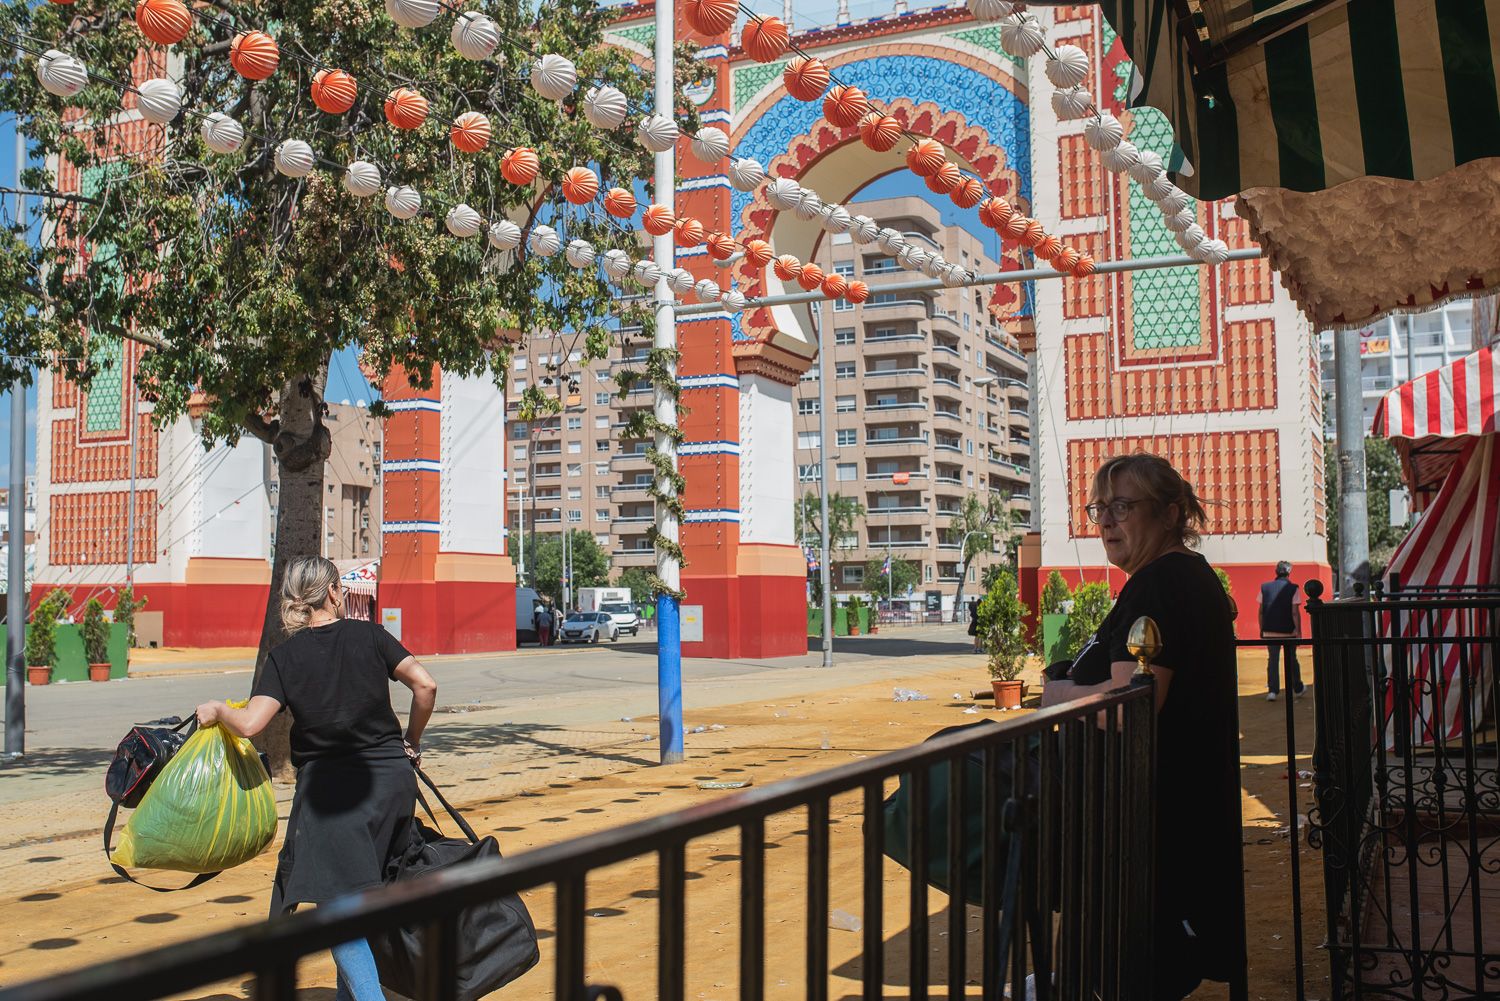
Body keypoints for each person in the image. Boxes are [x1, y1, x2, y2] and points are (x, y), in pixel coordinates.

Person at [1039, 453, 1244, 1000]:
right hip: (1150, 812)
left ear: (1172, 512)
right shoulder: (1174, 577)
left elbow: (1134, 702)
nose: (1106, 521)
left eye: (1123, 506)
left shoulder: (1162, 582)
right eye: (1099, 508)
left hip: (1151, 817)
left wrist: (1056, 694)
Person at [194, 556, 437, 1001]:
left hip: (332, 797)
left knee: (336, 906)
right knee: (363, 895)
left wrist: (216, 710)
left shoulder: (285, 657)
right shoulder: (369, 635)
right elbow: (425, 686)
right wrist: (411, 742)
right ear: (332, 592)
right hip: (392, 784)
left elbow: (249, 724)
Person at [1259, 560, 1305, 701]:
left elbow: (1261, 611)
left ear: (1276, 572)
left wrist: (1262, 629)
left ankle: (1272, 691)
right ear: (1289, 572)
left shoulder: (1265, 588)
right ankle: (1297, 687)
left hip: (1269, 631)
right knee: (1292, 659)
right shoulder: (1293, 589)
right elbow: (1295, 613)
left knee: (1273, 660)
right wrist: (1298, 631)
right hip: (1288, 632)